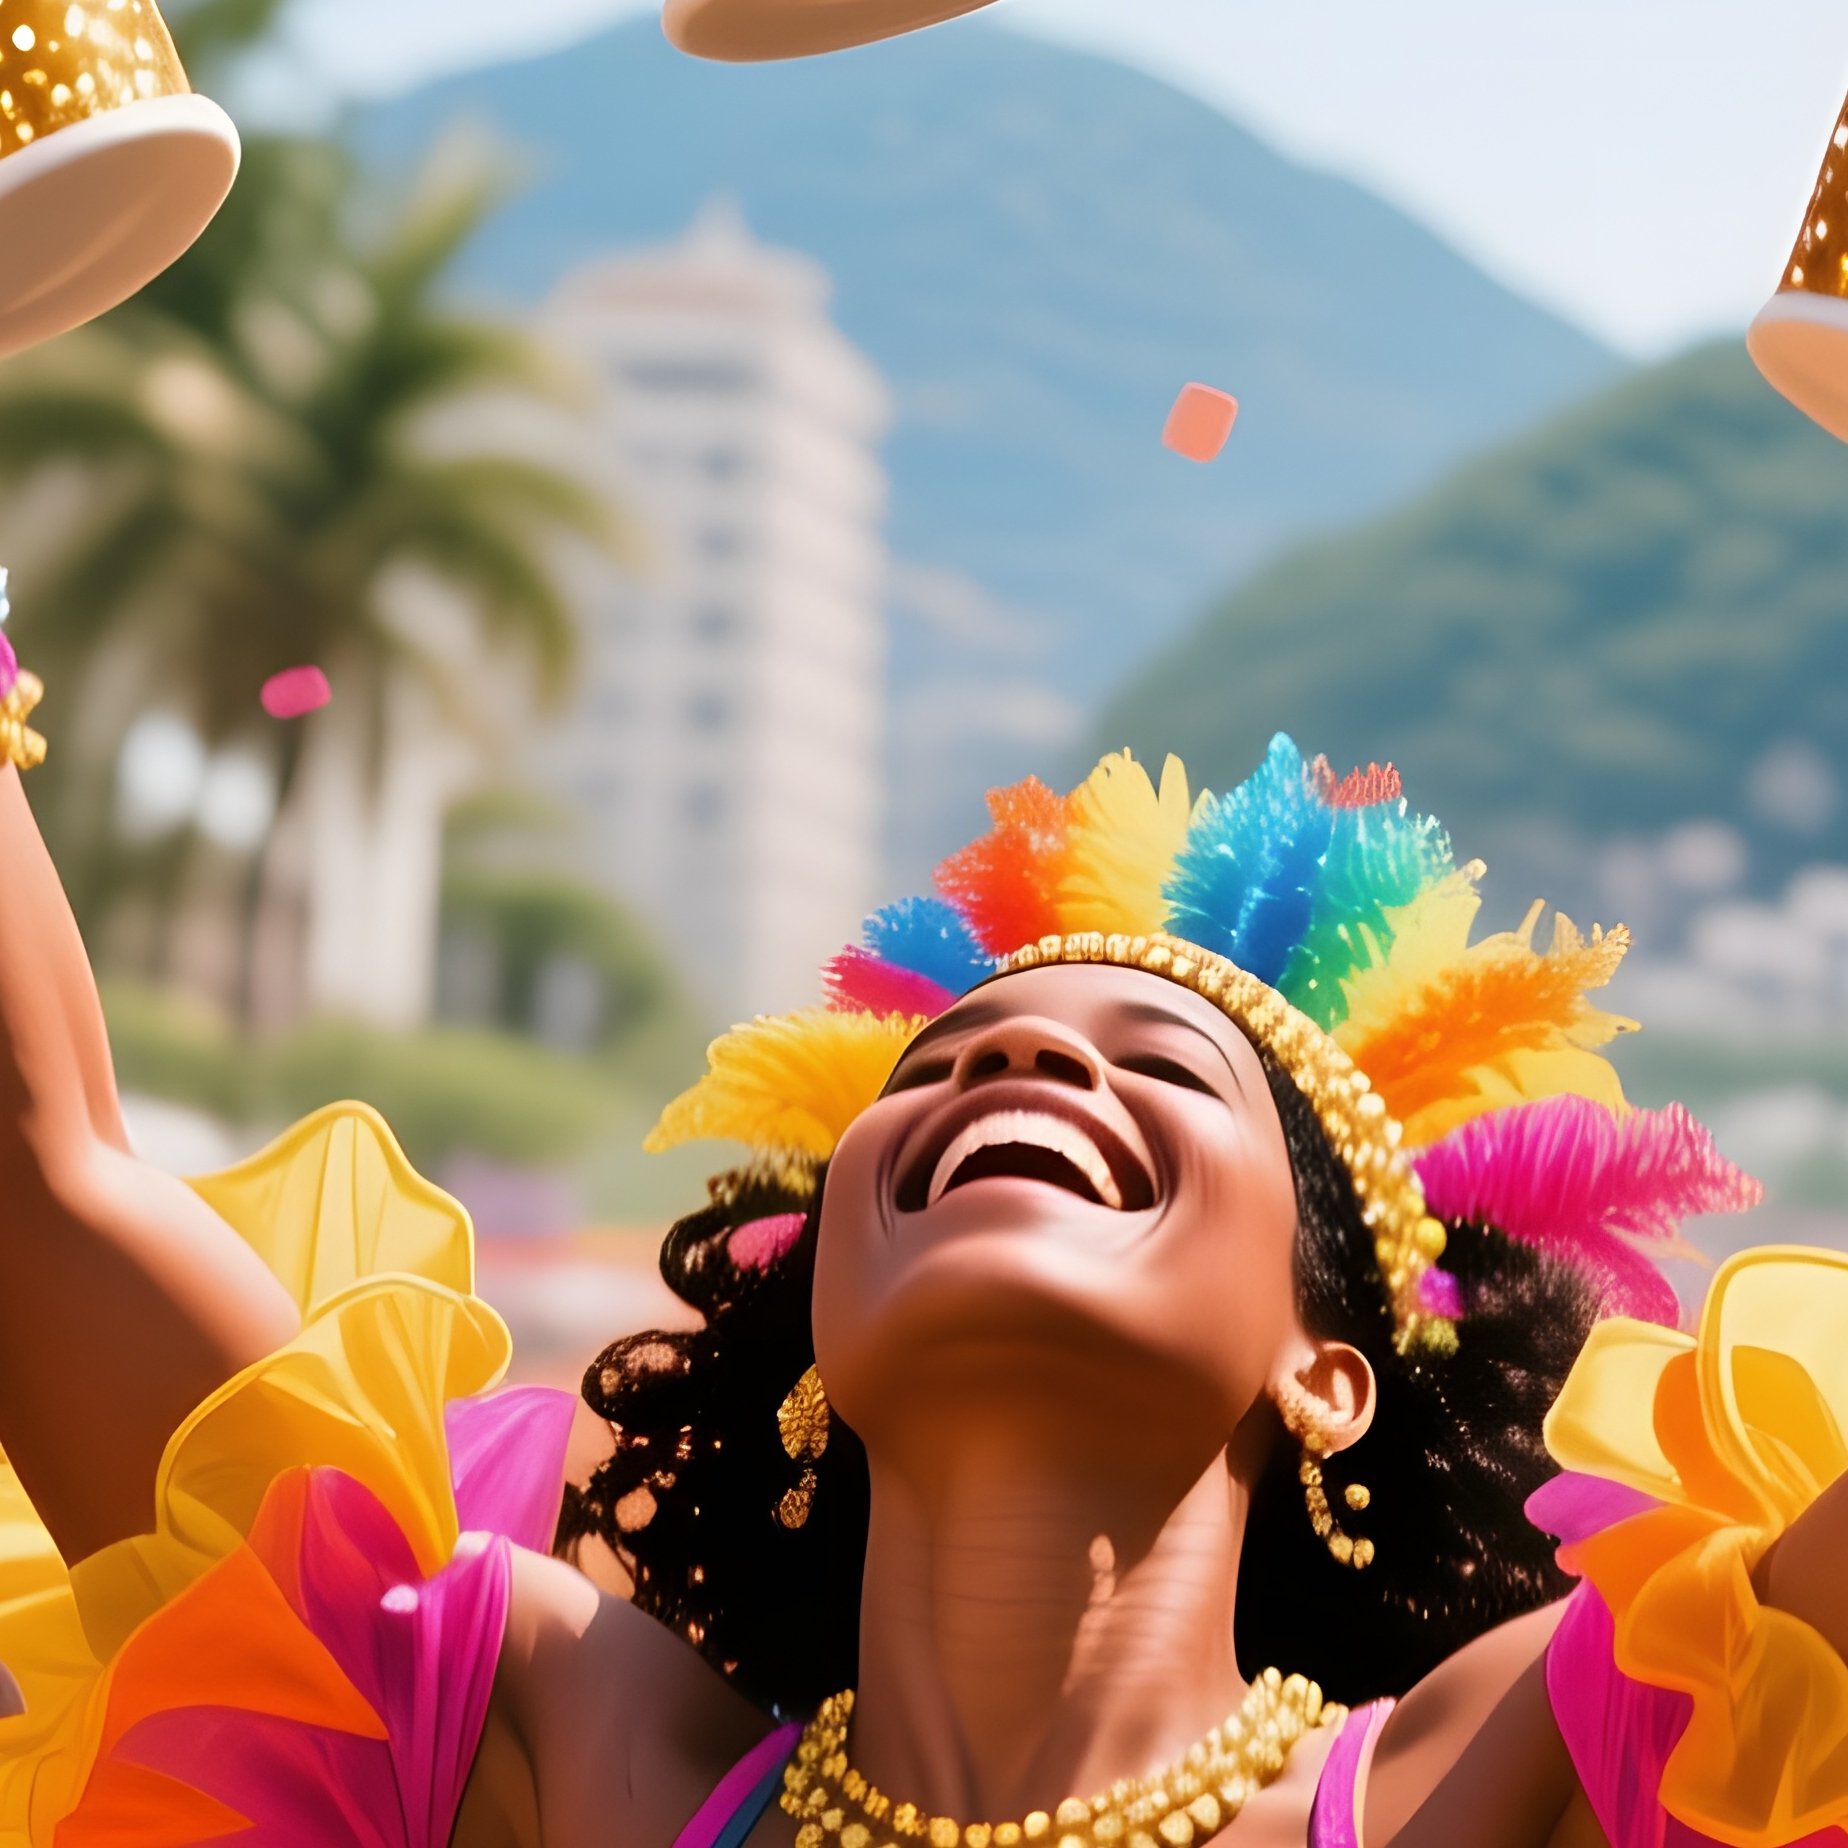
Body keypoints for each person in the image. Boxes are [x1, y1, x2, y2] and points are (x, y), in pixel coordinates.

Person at [0, 675, 1843, 1848]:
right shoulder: (570, 1757)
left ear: (1325, 1370)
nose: (1019, 1059)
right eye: (942, 1072)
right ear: (819, 1325)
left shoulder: (1531, 1773)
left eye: (1152, 1067)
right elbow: (45, 1176)